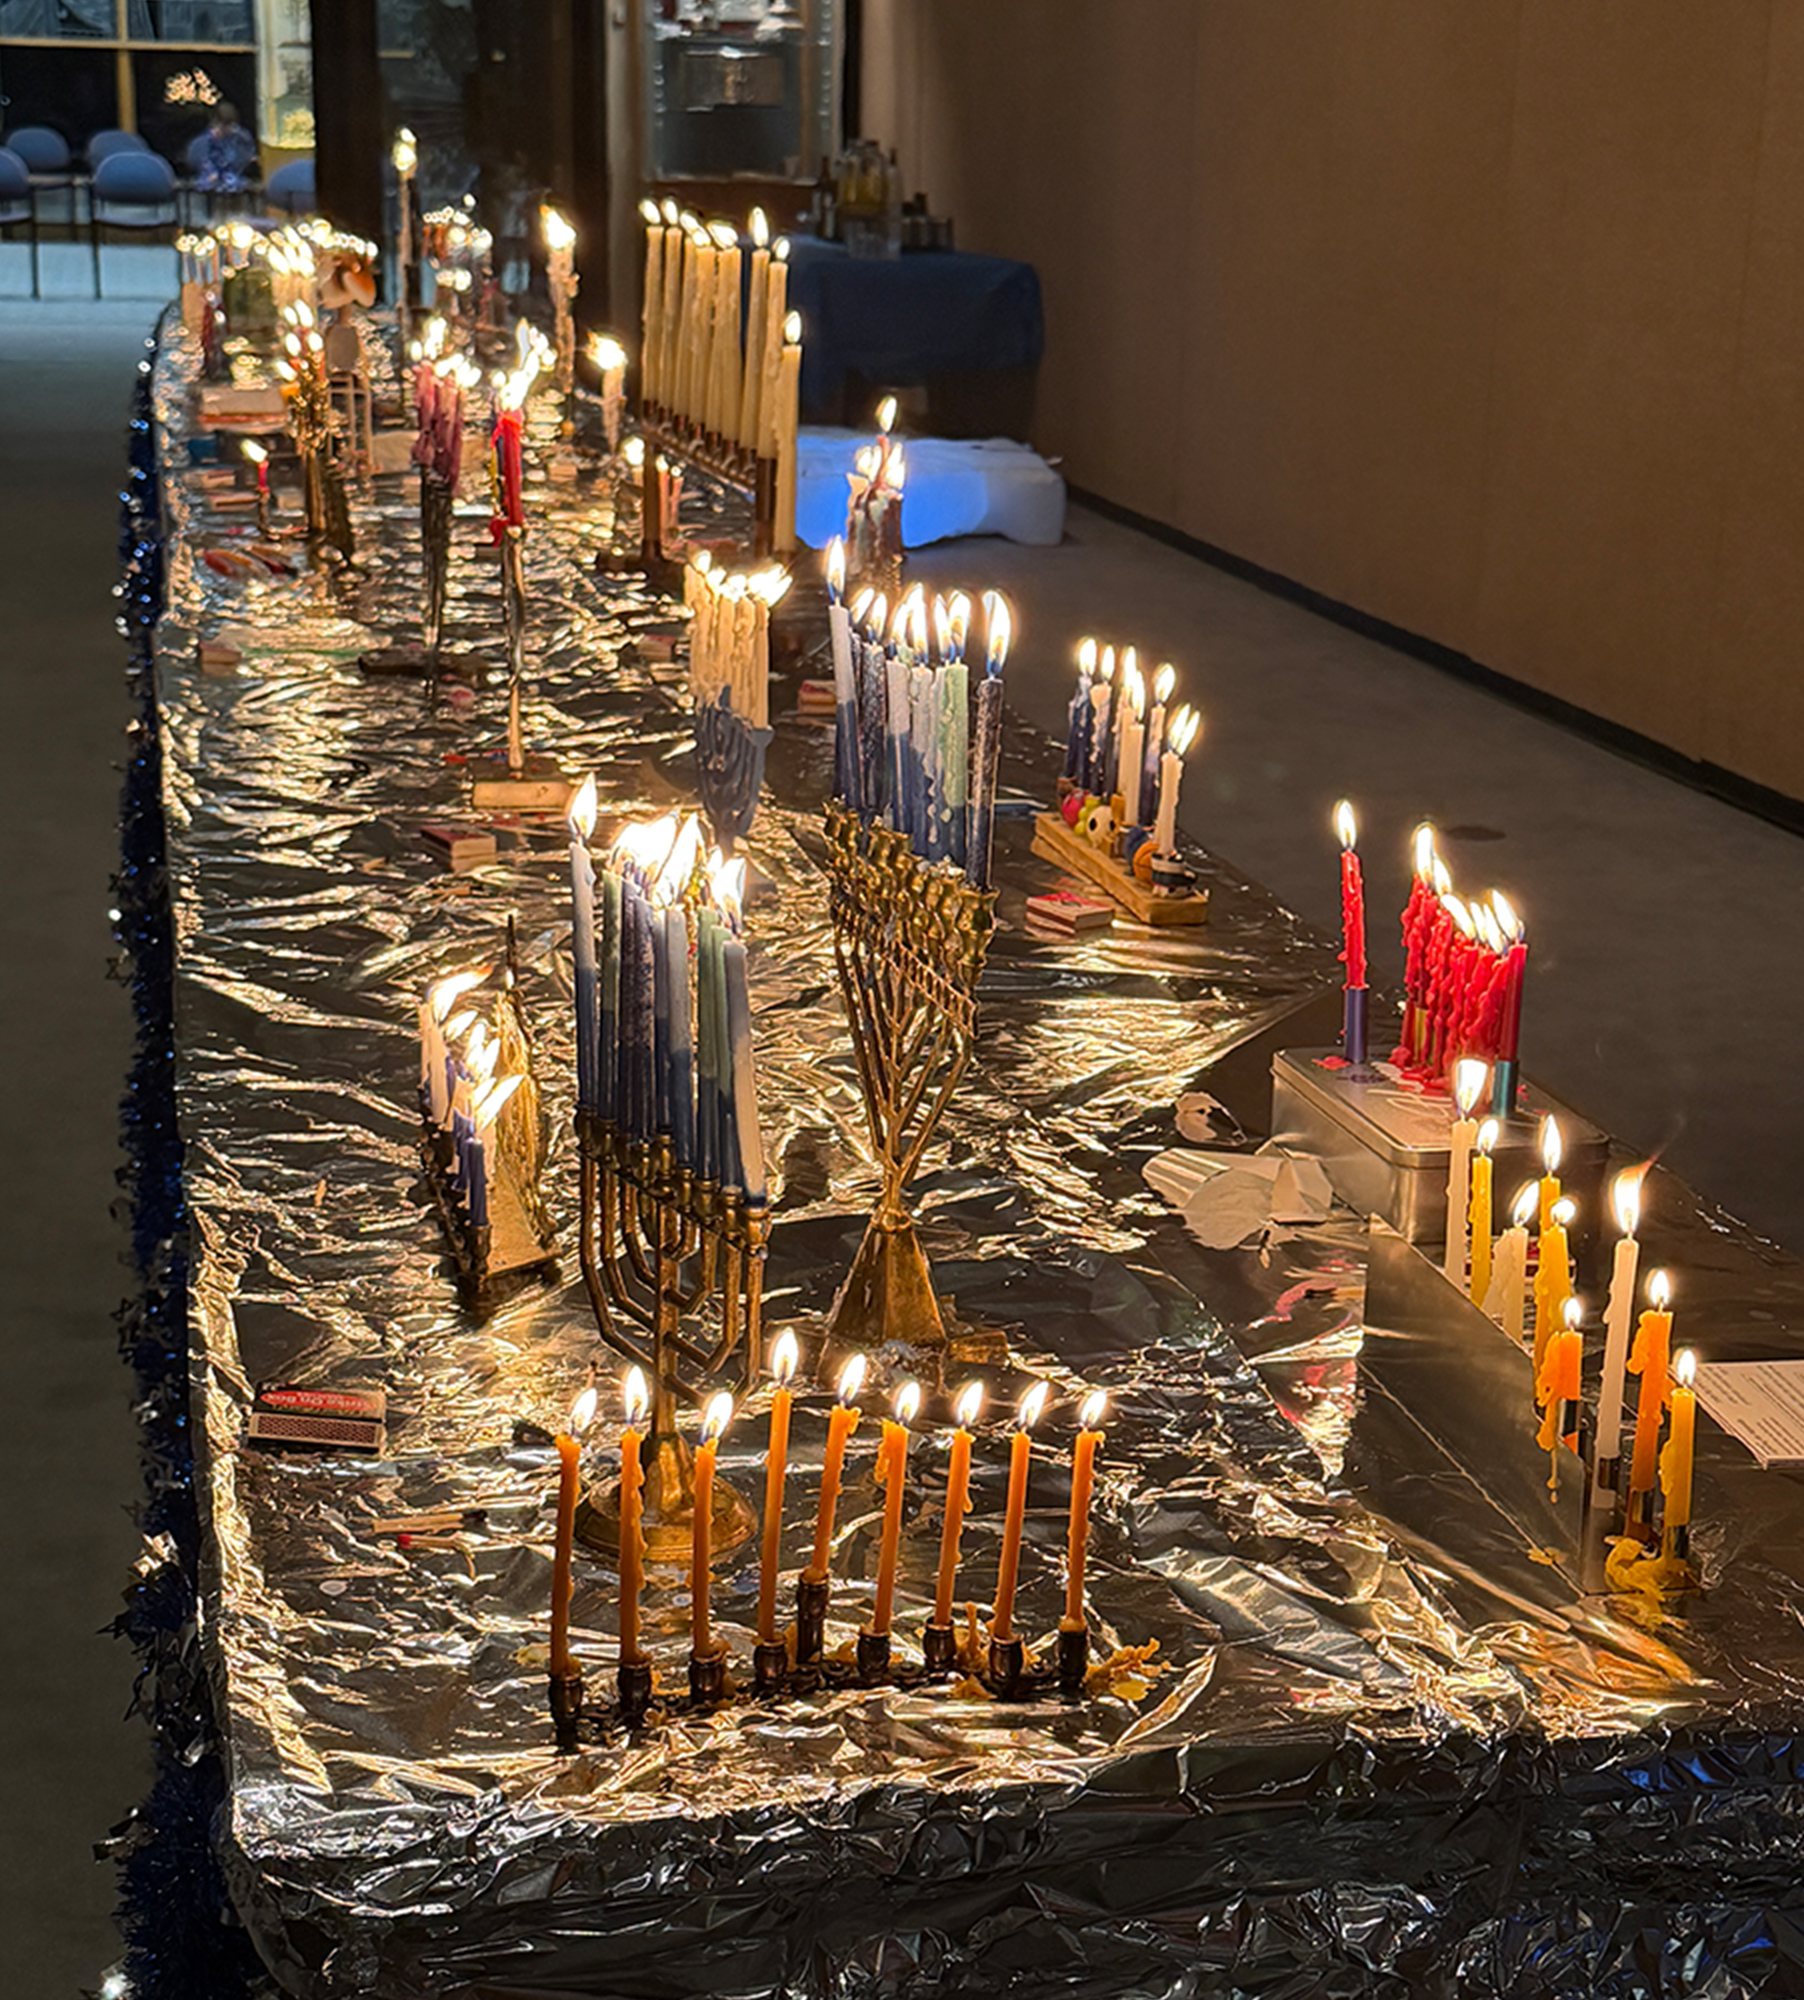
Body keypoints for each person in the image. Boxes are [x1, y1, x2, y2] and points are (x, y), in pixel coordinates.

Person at [194, 102, 259, 196]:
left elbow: (246, 156)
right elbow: (200, 156)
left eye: (229, 125)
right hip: (211, 181)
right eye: (221, 124)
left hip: (235, 179)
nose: (225, 129)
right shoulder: (207, 139)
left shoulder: (241, 137)